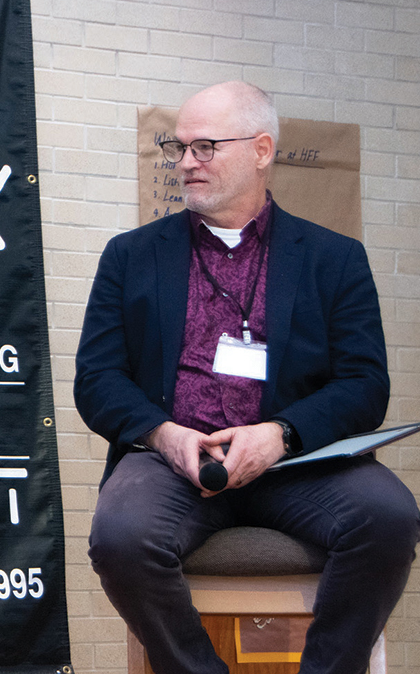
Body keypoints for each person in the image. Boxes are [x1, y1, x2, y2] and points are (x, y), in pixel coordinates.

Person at [75, 80, 420, 673]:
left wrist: (281, 434)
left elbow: (366, 385)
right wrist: (165, 435)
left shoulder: (335, 259)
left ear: (261, 150)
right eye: (178, 148)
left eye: (204, 147)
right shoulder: (129, 256)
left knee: (389, 517)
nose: (185, 163)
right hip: (176, 464)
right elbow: (98, 379)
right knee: (121, 537)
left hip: (298, 465)